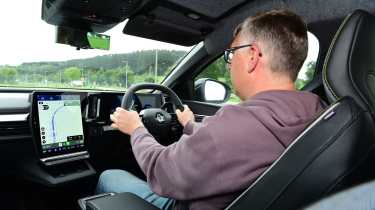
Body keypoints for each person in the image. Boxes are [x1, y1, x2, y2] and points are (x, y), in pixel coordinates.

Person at [96, 9, 325, 210]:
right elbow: (228, 147)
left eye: (232, 53)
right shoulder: (319, 112)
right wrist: (189, 125)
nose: (229, 63)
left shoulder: (235, 122)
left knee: (110, 177)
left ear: (252, 56)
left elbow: (161, 171)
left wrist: (136, 128)